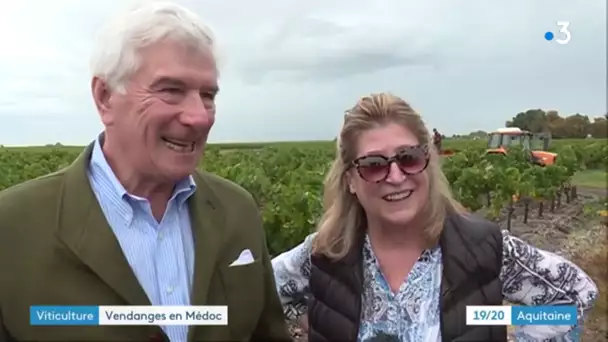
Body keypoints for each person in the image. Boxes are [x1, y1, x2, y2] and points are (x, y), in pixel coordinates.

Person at [0, 3, 290, 342]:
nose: (199, 117)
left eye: (208, 95)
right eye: (171, 90)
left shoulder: (237, 210)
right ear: (105, 97)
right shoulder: (12, 226)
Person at [271, 93, 598, 342]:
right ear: (350, 181)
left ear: (428, 162)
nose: (396, 176)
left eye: (409, 158)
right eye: (374, 165)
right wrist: (309, 317)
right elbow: (257, 291)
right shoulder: (324, 254)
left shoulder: (483, 248)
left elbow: (574, 294)